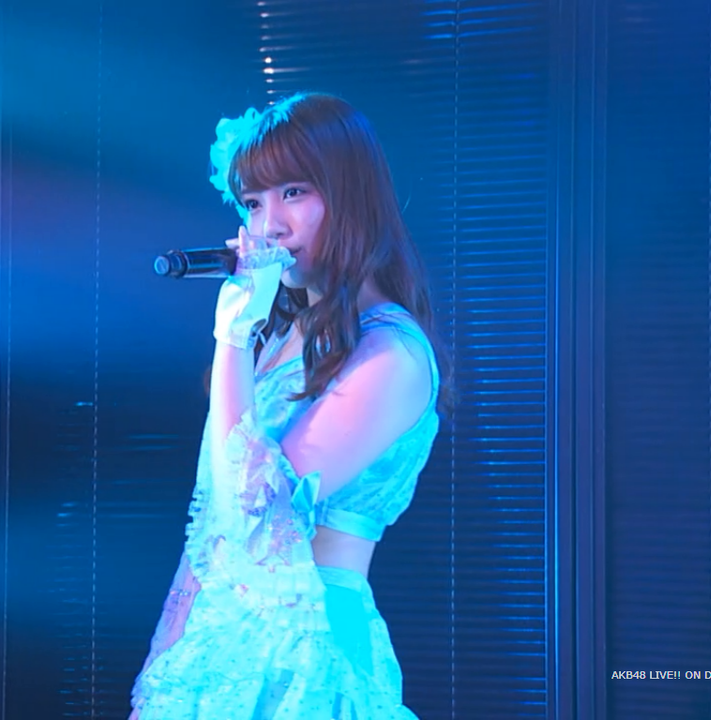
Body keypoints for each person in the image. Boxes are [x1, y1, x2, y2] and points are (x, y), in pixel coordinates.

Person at [129, 92, 451, 719]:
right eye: (253, 203)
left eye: (294, 193)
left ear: (351, 196)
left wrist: (231, 335)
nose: (269, 225)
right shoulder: (283, 337)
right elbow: (211, 527)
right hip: (219, 649)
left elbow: (254, 513)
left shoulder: (394, 356)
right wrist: (160, 666)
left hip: (310, 651)